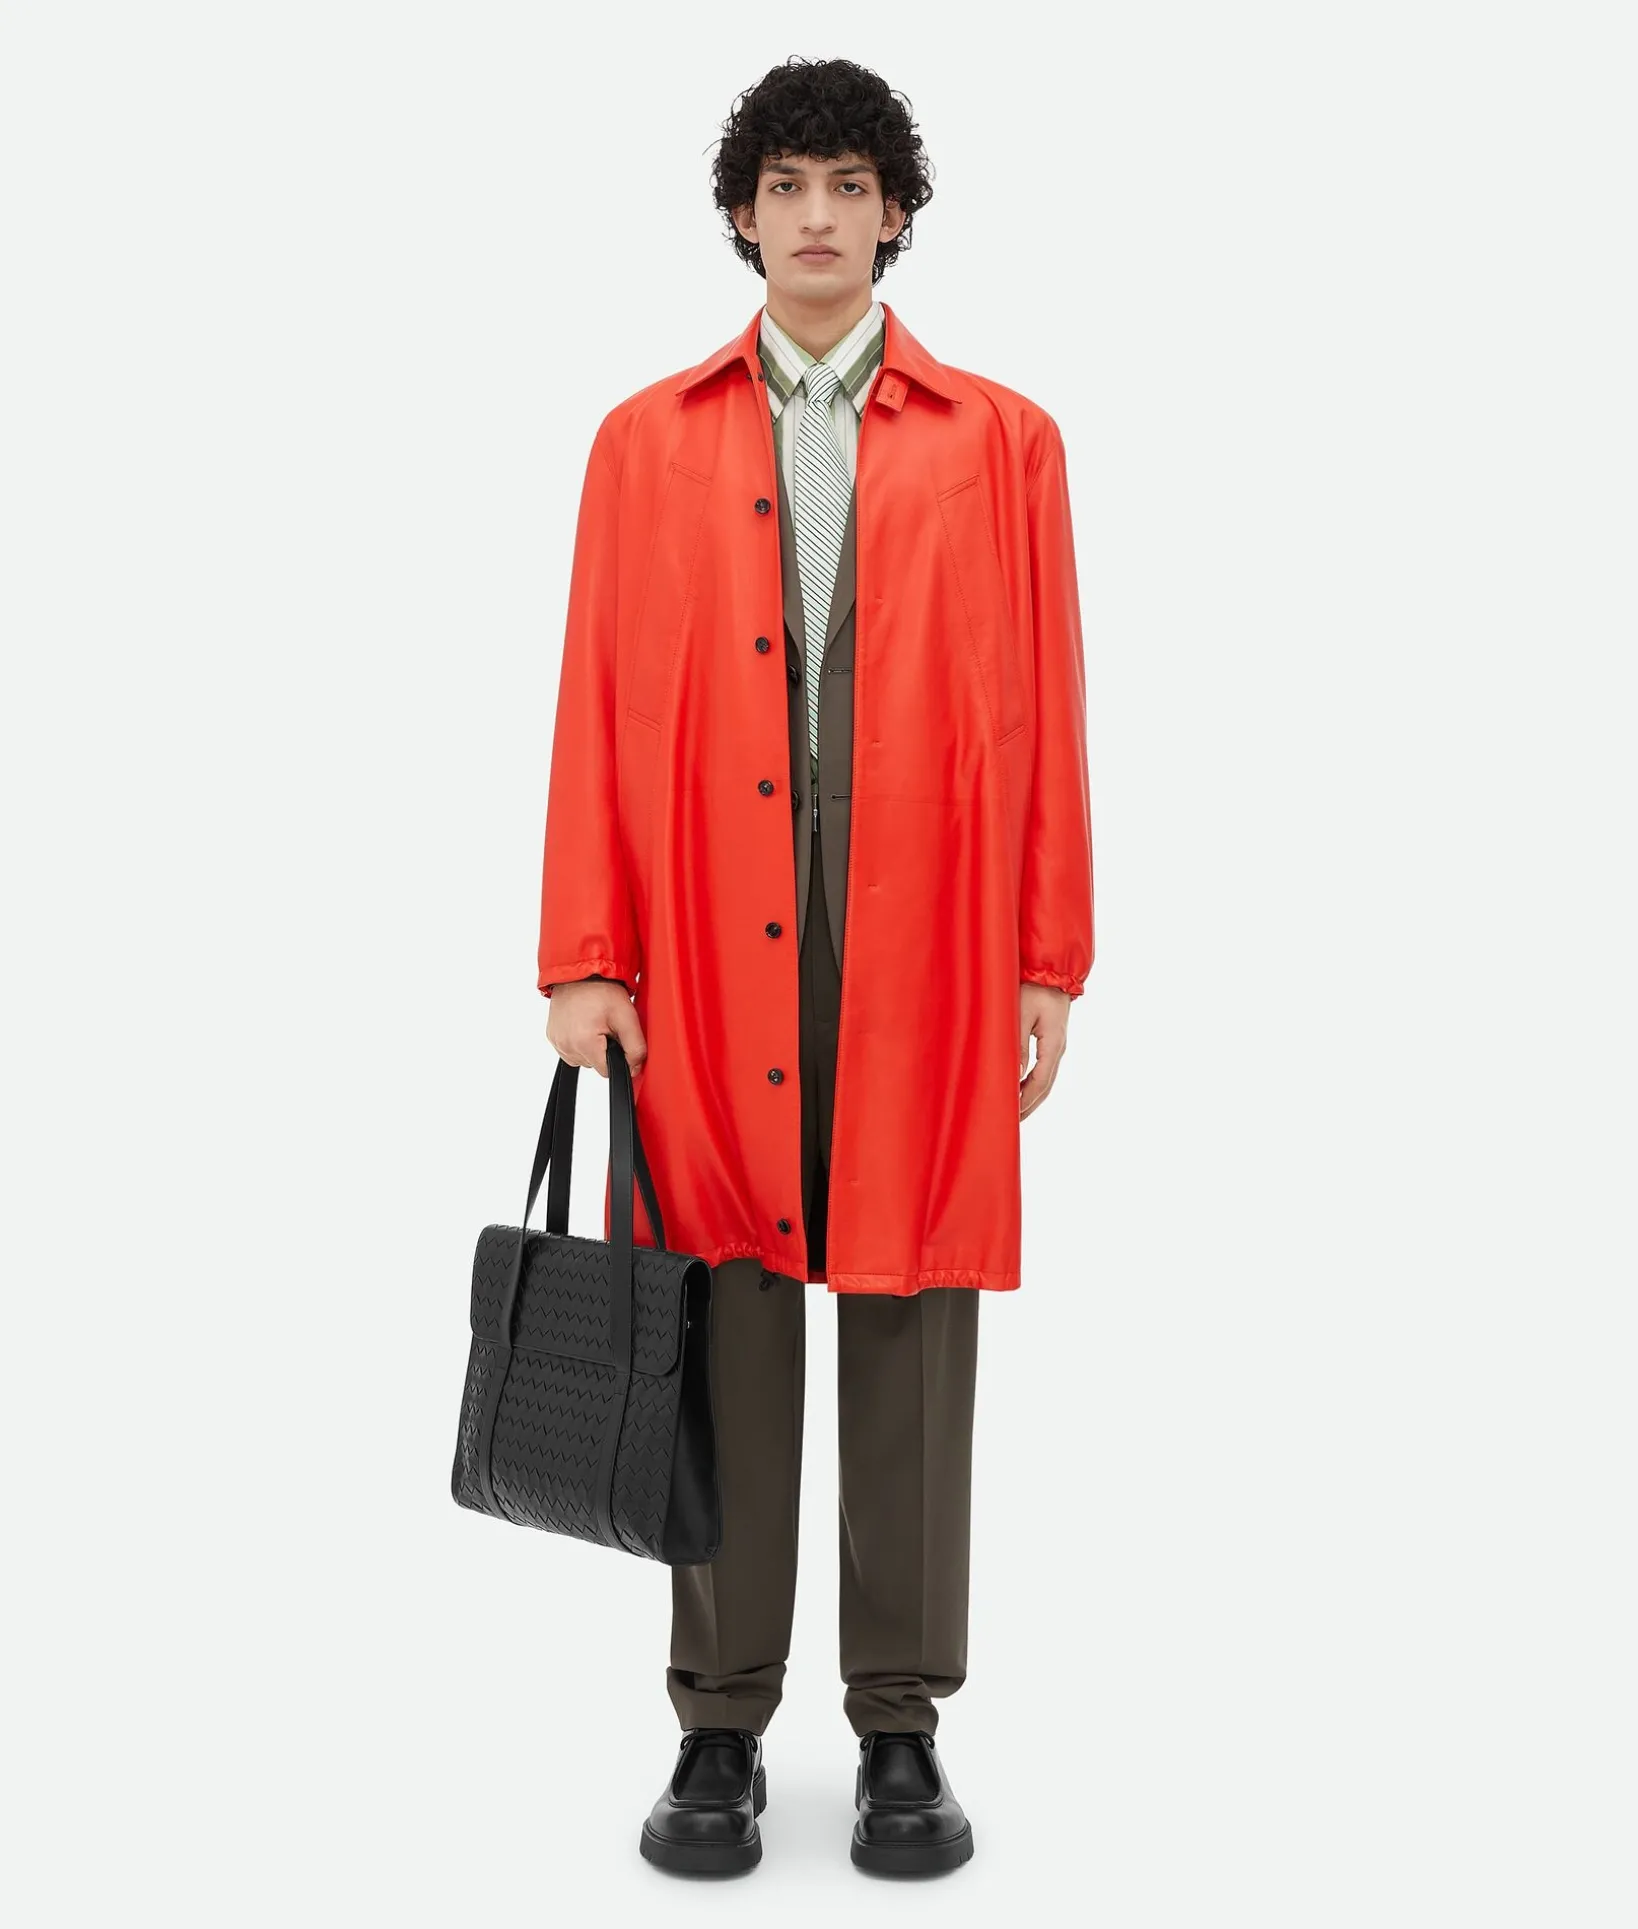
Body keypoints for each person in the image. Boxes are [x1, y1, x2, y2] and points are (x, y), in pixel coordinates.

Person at [537, 55, 1094, 1876]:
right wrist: (585, 955)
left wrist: (1047, 957)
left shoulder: (1003, 442)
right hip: (707, 931)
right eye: (785, 184)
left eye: (850, 184)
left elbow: (1047, 707)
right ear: (740, 213)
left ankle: (900, 1730)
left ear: (896, 213)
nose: (817, 216)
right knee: (721, 1310)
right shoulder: (644, 441)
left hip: (925, 928)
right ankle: (717, 1725)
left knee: (912, 1307)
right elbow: (595, 706)